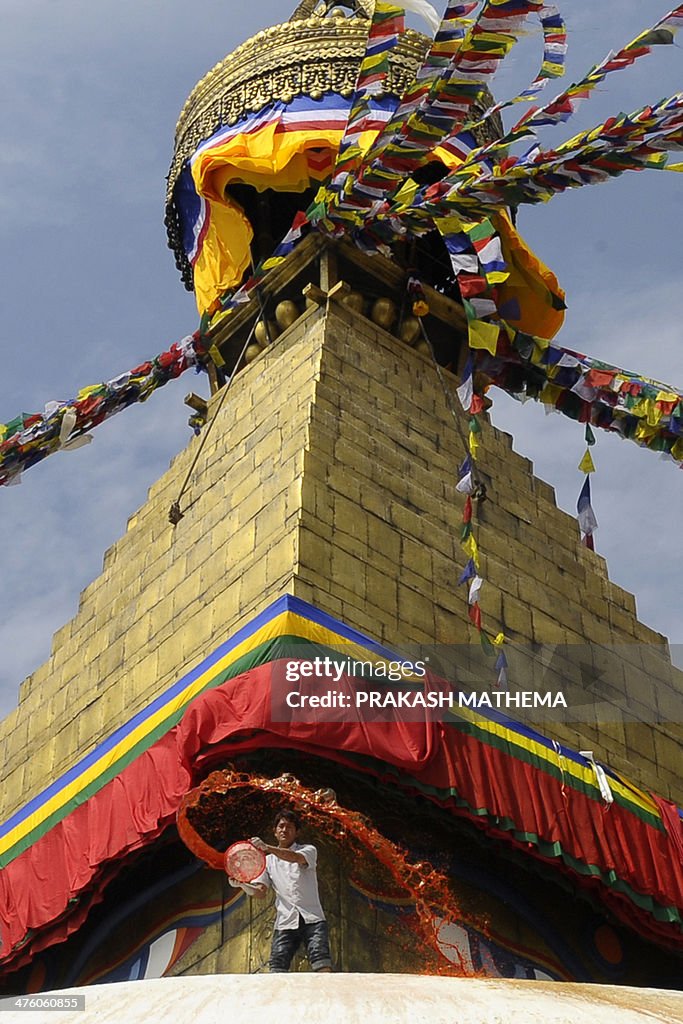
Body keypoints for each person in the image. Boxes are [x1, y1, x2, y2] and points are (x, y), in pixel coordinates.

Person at [228, 808, 332, 973]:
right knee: (277, 968)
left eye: (289, 827)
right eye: (281, 826)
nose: (284, 830)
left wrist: (266, 847)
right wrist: (242, 885)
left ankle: (328, 997)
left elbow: (295, 857)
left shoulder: (308, 850)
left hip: (313, 918)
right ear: (275, 831)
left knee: (321, 962)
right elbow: (260, 892)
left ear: (296, 832)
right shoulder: (266, 861)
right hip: (285, 920)